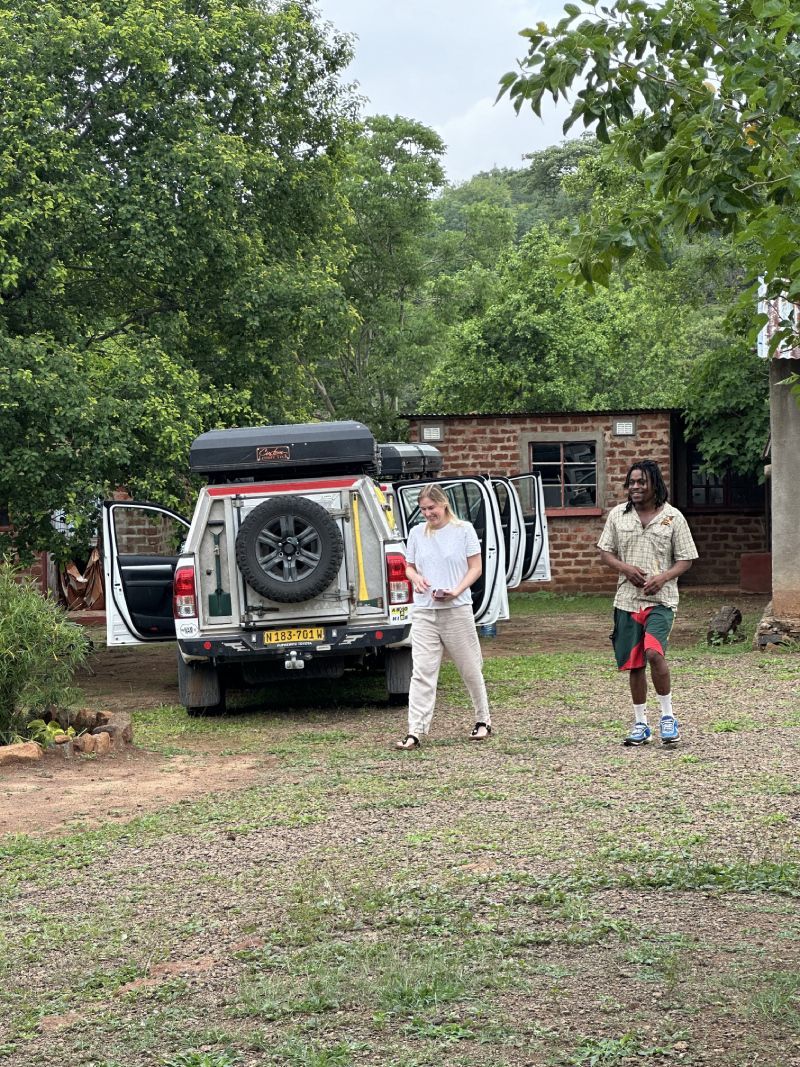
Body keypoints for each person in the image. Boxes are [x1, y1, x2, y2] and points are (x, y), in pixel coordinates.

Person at [597, 460, 698, 747]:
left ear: (655, 484)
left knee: (654, 654)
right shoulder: (618, 515)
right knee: (635, 663)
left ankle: (668, 717)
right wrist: (625, 568)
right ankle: (641, 723)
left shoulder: (672, 517)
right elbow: (605, 553)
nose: (636, 487)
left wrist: (663, 578)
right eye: (632, 482)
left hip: (661, 600)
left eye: (642, 482)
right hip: (626, 601)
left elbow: (686, 559)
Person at [395, 484, 491, 750]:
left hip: (456, 609)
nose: (427, 513)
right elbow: (409, 566)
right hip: (425, 611)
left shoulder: (463, 531)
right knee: (423, 672)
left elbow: (476, 567)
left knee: (470, 667)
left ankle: (483, 720)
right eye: (423, 509)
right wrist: (415, 578)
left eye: (431, 508)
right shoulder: (416, 533)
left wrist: (456, 591)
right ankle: (415, 730)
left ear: (443, 504)